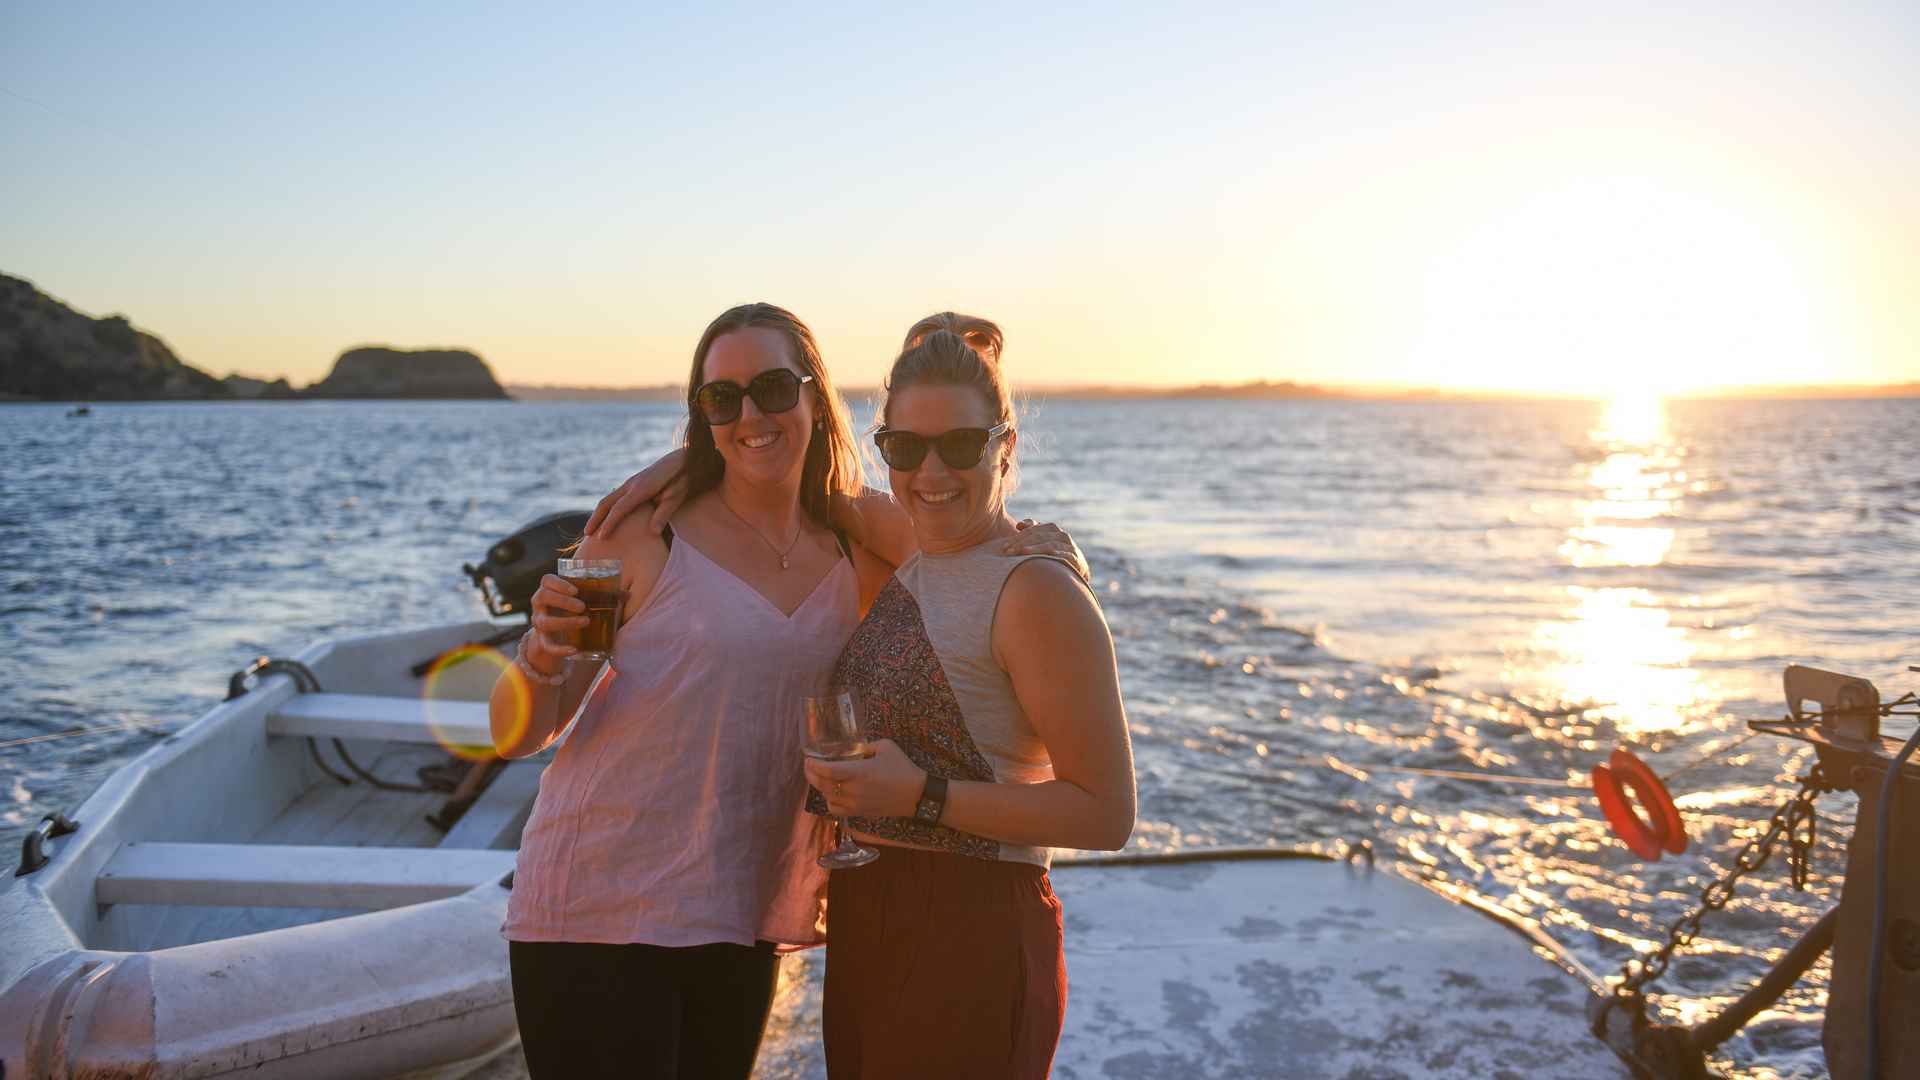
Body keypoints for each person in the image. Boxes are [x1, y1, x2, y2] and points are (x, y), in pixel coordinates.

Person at [488, 304, 1084, 1079]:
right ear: (698, 414)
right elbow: (520, 735)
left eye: (772, 389)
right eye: (719, 399)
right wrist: (539, 651)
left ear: (814, 397)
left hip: (743, 910)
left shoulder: (853, 546)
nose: (749, 416)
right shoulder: (639, 537)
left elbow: (976, 549)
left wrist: (1056, 553)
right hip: (595, 905)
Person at [803, 327, 1136, 1079]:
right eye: (904, 448)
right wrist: (663, 473)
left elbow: (1106, 813)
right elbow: (785, 477)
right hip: (870, 918)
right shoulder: (914, 544)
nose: (930, 473)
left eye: (960, 445)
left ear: (1004, 448)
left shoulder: (1036, 589)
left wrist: (921, 797)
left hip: (973, 929)